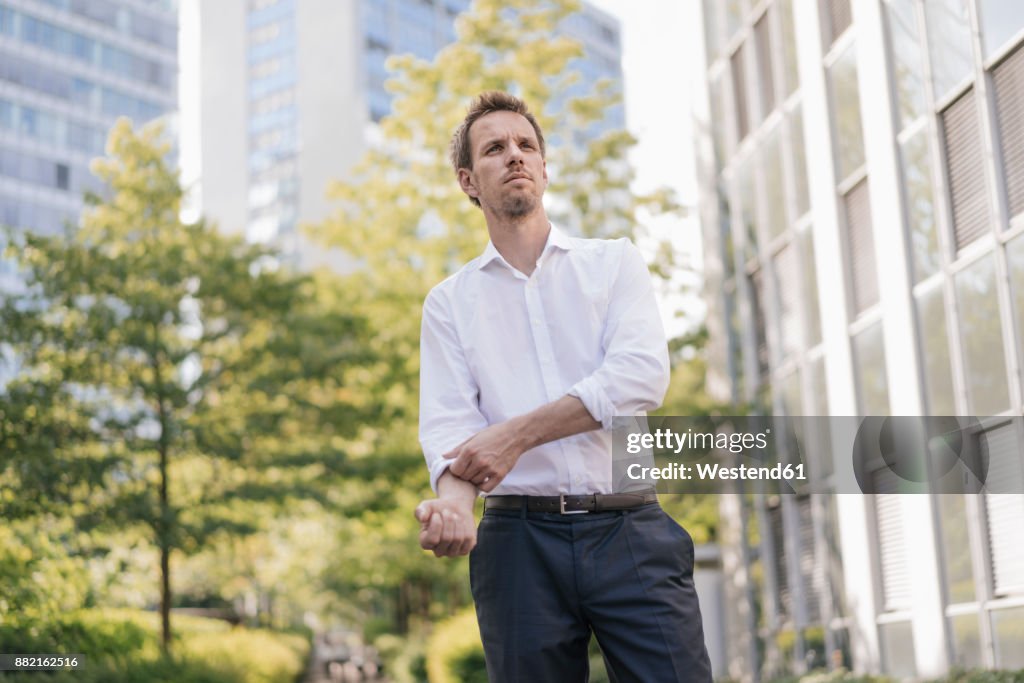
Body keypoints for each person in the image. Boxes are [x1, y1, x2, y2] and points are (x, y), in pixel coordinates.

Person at [415, 91, 711, 682]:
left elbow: (640, 376)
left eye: (527, 145)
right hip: (518, 544)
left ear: (545, 169)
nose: (515, 156)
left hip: (630, 526)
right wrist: (454, 505)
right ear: (469, 180)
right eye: (495, 149)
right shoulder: (449, 303)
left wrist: (516, 436)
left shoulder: (613, 263)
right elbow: (451, 427)